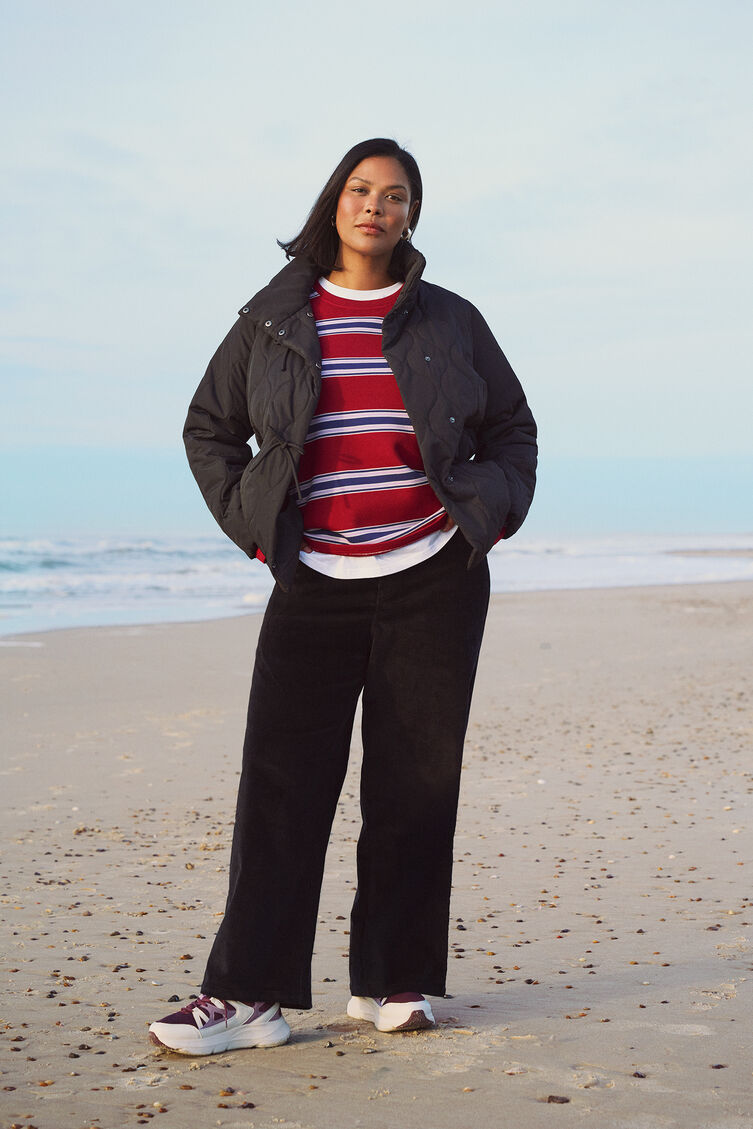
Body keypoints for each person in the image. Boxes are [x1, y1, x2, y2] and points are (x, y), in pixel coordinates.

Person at [148, 138, 537, 1055]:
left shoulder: (449, 318)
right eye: (361, 190)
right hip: (313, 578)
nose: (375, 206)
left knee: (414, 784)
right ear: (335, 202)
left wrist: (489, 514)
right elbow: (209, 427)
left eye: (394, 195)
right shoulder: (274, 317)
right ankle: (247, 995)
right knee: (282, 788)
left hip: (433, 575)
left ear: (410, 215)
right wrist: (256, 527)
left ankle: (391, 981)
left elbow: (511, 427)